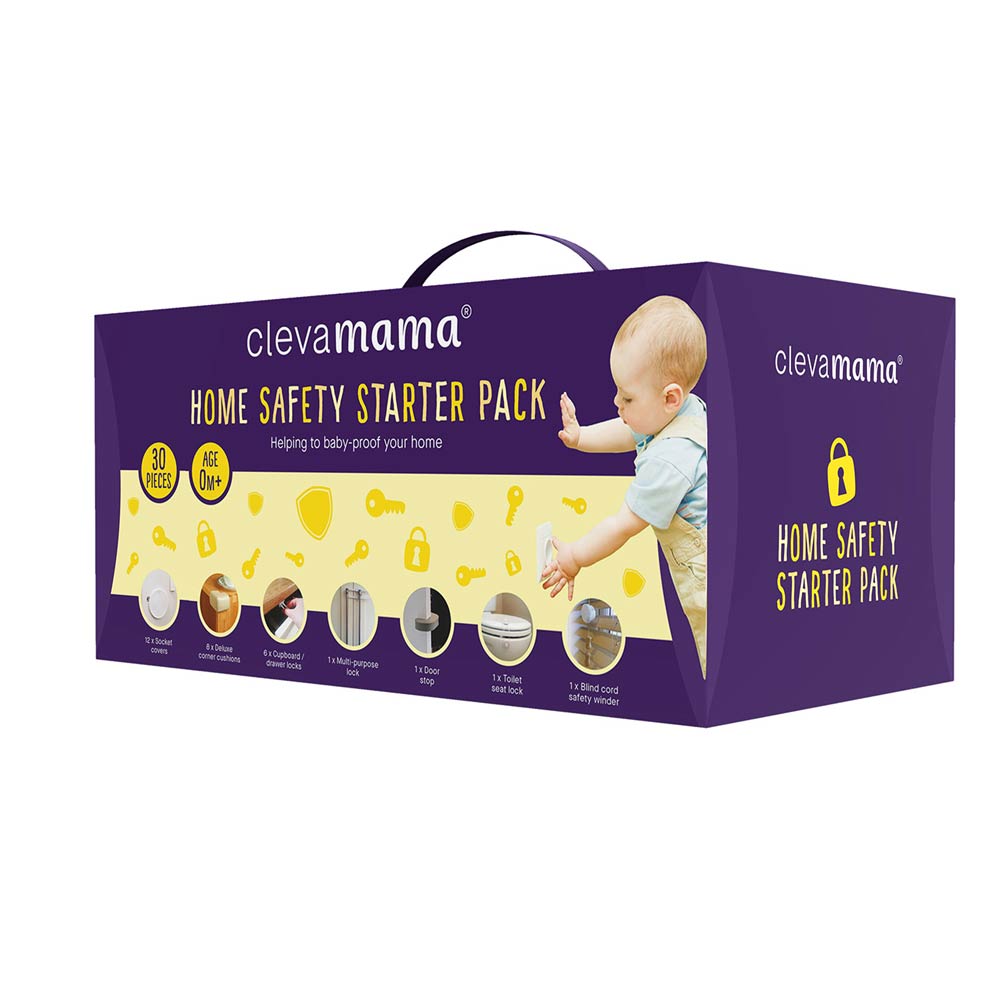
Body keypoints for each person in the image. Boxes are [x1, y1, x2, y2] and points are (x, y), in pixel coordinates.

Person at [541, 295, 708, 677]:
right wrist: (581, 437)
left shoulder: (669, 461)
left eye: (627, 396)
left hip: (706, 582)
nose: (617, 402)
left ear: (670, 397)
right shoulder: (681, 410)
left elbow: (622, 525)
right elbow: (632, 429)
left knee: (711, 649)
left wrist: (574, 558)